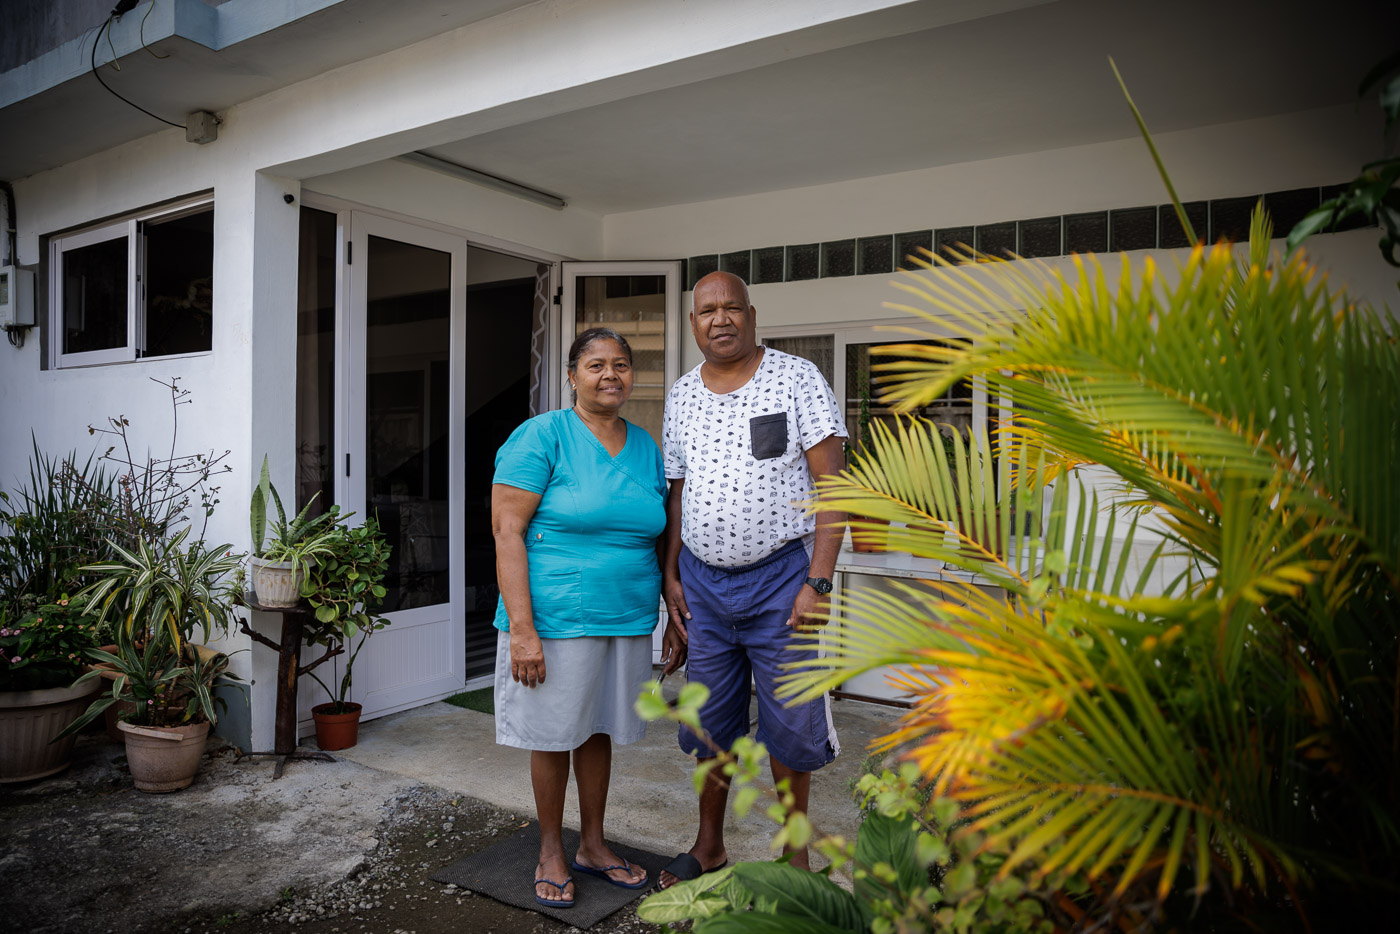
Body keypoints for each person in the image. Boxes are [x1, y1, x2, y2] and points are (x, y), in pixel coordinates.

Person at [657, 271, 847, 888]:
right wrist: (671, 577)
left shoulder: (796, 378)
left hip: (781, 580)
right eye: (707, 310)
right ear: (694, 324)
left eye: (731, 307)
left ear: (751, 313)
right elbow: (677, 495)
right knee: (709, 722)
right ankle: (709, 844)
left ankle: (796, 861)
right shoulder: (682, 394)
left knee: (791, 724)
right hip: (703, 586)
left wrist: (819, 582)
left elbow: (833, 487)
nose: (721, 319)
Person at [492, 327, 666, 908]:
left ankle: (593, 844)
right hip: (556, 615)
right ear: (572, 376)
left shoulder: (645, 446)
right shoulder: (542, 435)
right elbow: (507, 531)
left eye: (621, 365)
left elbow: (660, 531)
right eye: (596, 365)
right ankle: (550, 849)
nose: (610, 375)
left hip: (627, 614)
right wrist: (523, 630)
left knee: (597, 728)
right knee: (553, 732)